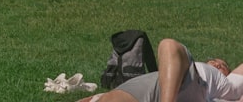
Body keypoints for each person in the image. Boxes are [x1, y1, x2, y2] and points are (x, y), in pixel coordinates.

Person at [76, 38, 243, 102]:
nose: (218, 64)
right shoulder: (180, 64)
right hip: (149, 87)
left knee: (168, 45)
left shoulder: (225, 86)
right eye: (214, 62)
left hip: (189, 84)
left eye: (223, 66)